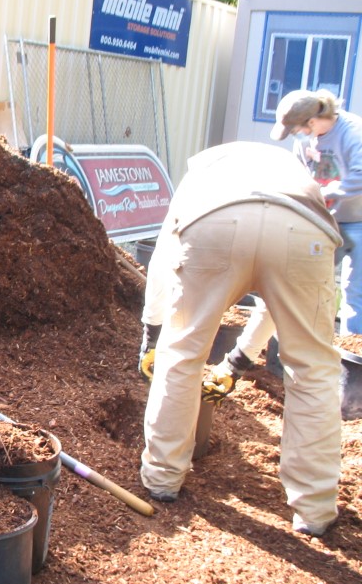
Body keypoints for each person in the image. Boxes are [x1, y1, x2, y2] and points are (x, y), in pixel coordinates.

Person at [138, 141, 342, 537]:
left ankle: (162, 479)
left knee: (181, 354)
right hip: (304, 231)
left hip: (215, 220)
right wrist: (238, 361)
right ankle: (315, 509)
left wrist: (153, 334)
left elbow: (164, 259)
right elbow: (274, 305)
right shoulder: (295, 175)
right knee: (313, 370)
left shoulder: (202, 172)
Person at [271, 89, 362, 334]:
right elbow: (298, 175)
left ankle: (351, 357)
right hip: (324, 221)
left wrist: (327, 192)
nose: (296, 136)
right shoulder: (305, 141)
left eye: (296, 130)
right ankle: (302, 341)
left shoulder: (354, 133)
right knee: (304, 282)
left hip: (359, 221)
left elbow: (360, 175)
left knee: (356, 291)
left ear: (311, 121)